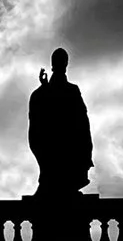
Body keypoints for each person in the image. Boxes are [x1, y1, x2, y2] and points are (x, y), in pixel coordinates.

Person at [27, 48, 93, 196]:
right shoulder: (40, 94)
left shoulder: (72, 90)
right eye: (59, 61)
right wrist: (45, 89)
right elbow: (38, 127)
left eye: (62, 61)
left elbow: (82, 121)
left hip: (71, 145)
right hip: (52, 147)